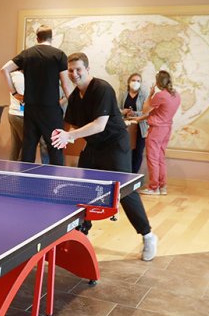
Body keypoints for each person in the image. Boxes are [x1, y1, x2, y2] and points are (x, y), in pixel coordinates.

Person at [51, 53, 159, 261]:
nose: (74, 74)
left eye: (78, 69)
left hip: (115, 146)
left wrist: (70, 135)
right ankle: (82, 232)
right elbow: (74, 125)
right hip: (94, 147)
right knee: (83, 189)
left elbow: (99, 124)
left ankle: (147, 235)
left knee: (125, 192)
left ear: (88, 69)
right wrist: (64, 137)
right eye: (71, 70)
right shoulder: (75, 97)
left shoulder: (102, 89)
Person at [1, 25, 72, 165]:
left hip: (31, 109)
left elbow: (4, 69)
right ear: (51, 38)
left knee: (28, 149)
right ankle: (57, 182)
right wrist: (74, 104)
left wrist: (14, 93)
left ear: (37, 38)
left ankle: (24, 183)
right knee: (55, 148)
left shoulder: (27, 54)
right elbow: (65, 84)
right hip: (51, 109)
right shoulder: (59, 55)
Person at [133, 70, 180, 196]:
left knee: (152, 158)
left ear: (158, 82)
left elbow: (145, 109)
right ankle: (162, 186)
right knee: (160, 158)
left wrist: (150, 94)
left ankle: (153, 187)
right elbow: (159, 113)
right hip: (166, 129)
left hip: (157, 130)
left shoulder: (160, 95)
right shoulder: (176, 94)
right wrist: (140, 119)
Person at [120, 72, 147, 173]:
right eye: (133, 80)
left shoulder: (144, 95)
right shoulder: (123, 94)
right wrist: (123, 112)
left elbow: (146, 112)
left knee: (138, 152)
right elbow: (117, 108)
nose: (135, 83)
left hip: (140, 128)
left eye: (138, 81)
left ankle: (134, 174)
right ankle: (126, 173)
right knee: (126, 151)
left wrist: (134, 113)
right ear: (128, 82)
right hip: (126, 127)